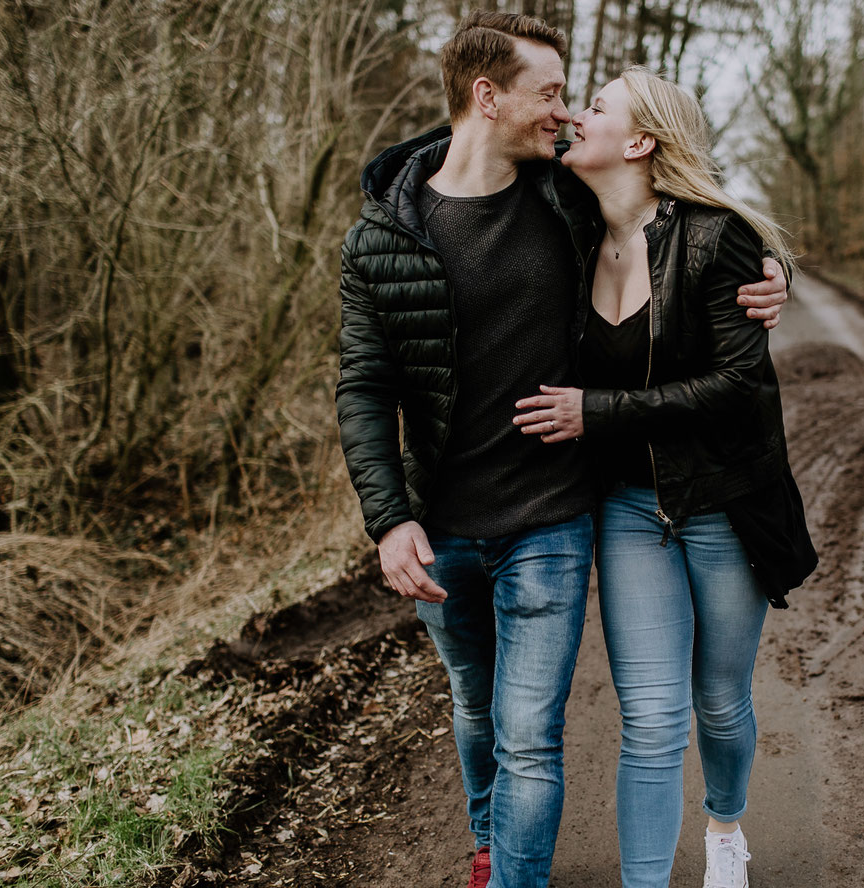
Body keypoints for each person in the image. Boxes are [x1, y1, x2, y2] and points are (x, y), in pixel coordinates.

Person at [336, 14, 788, 888]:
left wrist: (772, 276)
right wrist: (388, 518)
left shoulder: (564, 198)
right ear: (486, 96)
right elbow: (364, 387)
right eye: (551, 94)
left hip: (567, 513)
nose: (567, 114)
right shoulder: (384, 237)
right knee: (494, 708)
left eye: (580, 100)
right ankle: (492, 844)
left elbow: (688, 211)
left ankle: (573, 862)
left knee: (557, 734)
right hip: (458, 517)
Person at [514, 67, 817, 888]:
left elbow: (735, 386)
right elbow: (454, 152)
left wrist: (596, 412)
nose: (576, 114)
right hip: (626, 508)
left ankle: (725, 828)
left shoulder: (718, 238)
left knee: (718, 703)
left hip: (722, 501)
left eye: (598, 106)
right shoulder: (565, 224)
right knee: (650, 720)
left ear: (640, 142)